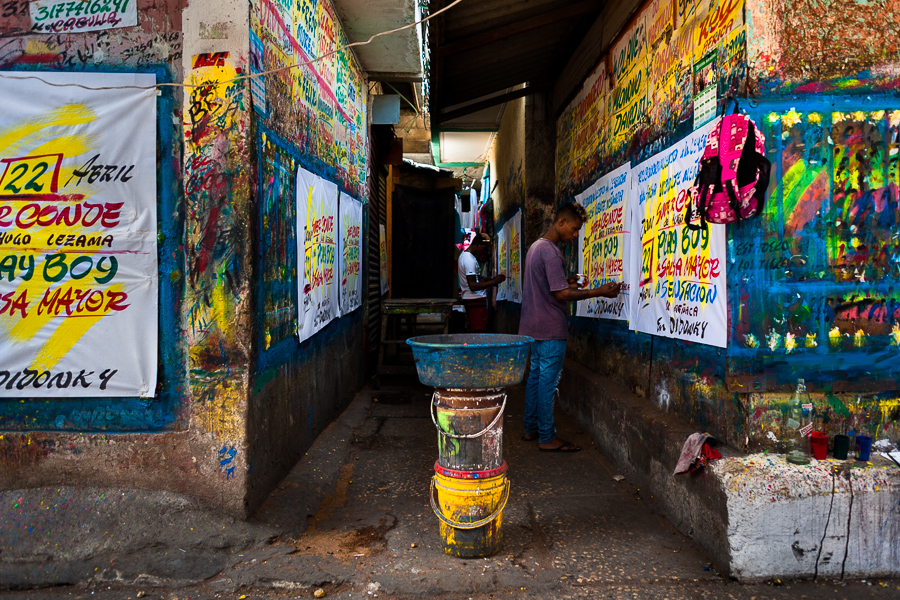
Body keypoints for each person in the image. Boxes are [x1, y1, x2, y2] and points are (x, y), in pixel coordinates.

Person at [519, 202, 621, 452]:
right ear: (561, 222)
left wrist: (567, 281)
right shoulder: (552, 252)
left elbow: (551, 286)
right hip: (551, 328)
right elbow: (562, 295)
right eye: (574, 229)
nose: (574, 235)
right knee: (546, 383)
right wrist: (598, 291)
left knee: (535, 379)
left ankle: (531, 429)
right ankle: (546, 437)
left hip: (533, 327)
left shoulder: (535, 247)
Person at [458, 231, 506, 333]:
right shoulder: (468, 259)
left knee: (478, 329)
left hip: (475, 300)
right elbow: (473, 285)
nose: (484, 252)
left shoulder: (468, 257)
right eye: (484, 248)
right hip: (475, 301)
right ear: (477, 244)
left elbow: (475, 280)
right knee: (478, 331)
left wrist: (490, 279)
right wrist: (494, 282)